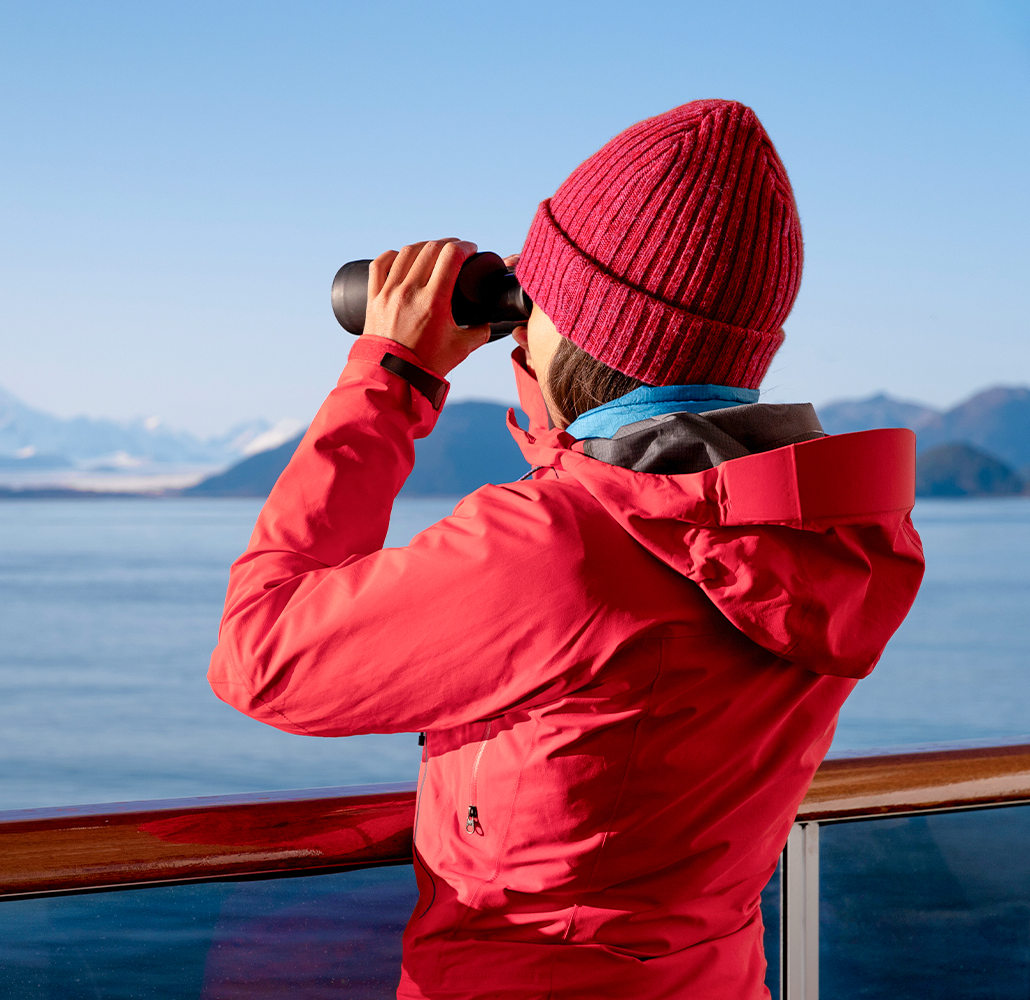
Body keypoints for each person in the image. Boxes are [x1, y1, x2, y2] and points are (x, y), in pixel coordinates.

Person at [207, 100, 925, 999]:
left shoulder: (558, 546)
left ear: (578, 328)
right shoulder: (814, 537)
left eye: (531, 300)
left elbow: (261, 655)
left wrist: (391, 376)